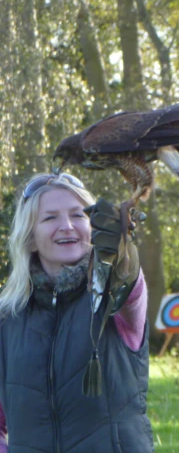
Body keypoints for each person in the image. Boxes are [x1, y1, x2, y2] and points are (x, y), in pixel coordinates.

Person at [0, 173, 153, 452]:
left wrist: (122, 252)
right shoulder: (8, 316)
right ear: (30, 238)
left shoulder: (113, 294)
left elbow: (129, 284)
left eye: (78, 215)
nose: (67, 226)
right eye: (50, 218)